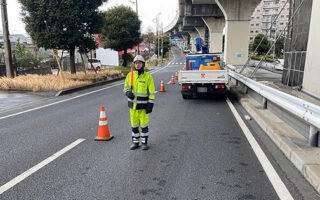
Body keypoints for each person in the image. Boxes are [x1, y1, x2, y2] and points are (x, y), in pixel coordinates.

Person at [123, 55, 155, 150]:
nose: (137, 65)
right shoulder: (130, 75)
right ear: (134, 64)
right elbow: (125, 88)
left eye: (139, 63)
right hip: (132, 106)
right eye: (136, 63)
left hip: (144, 106)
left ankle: (144, 143)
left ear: (143, 64)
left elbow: (151, 92)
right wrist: (128, 93)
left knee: (144, 125)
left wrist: (150, 104)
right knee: (134, 125)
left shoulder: (148, 77)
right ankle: (135, 142)